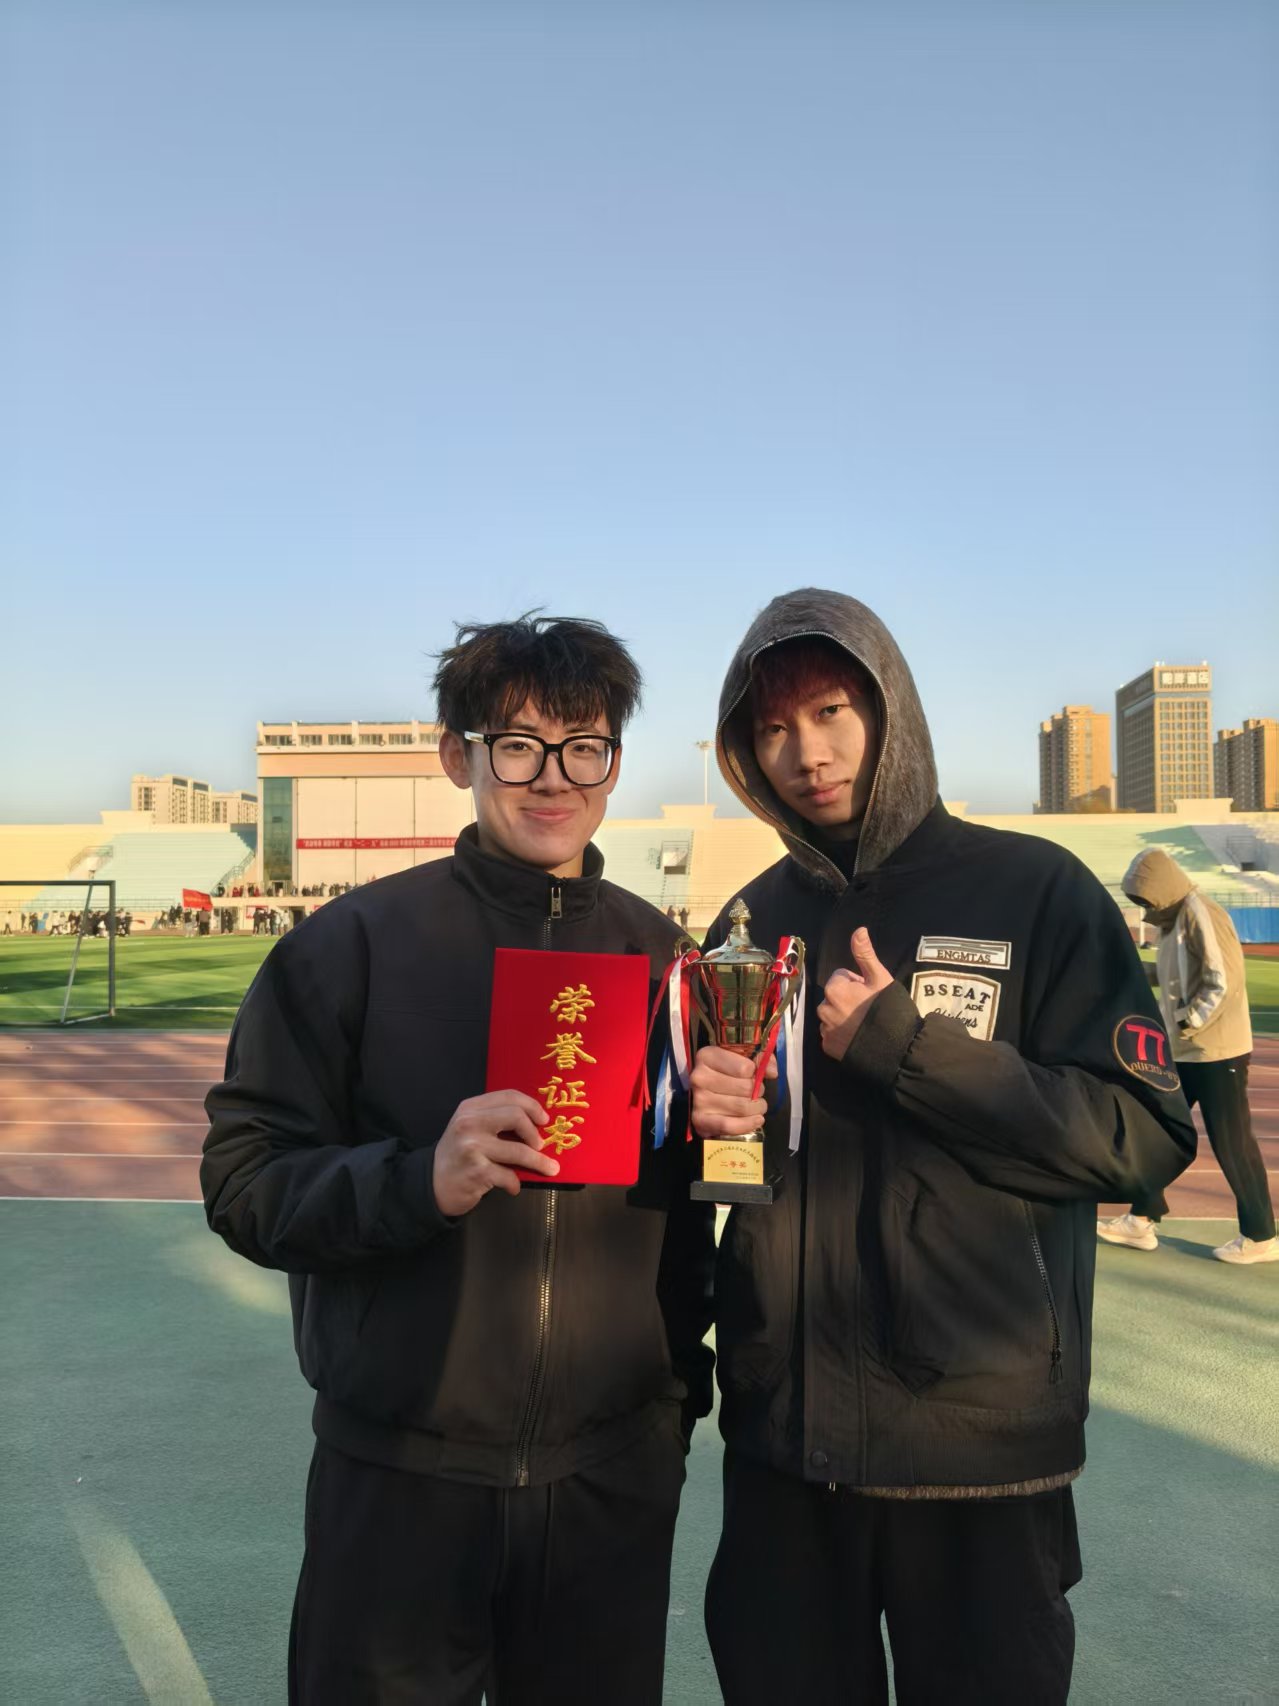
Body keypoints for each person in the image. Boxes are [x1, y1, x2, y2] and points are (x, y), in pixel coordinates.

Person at [688, 588, 1196, 1706]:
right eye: (771, 728)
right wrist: (709, 1122)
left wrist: (905, 1047)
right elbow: (730, 1172)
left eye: (830, 711)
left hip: (977, 1449)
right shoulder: (748, 922)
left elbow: (1140, 1134)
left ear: (891, 712)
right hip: (786, 1446)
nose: (806, 754)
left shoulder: (1035, 890)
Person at [201, 614, 714, 1706]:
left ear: (614, 763)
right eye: (518, 745)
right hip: (400, 1474)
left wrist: (672, 1409)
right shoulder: (348, 947)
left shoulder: (669, 963)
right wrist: (415, 1181)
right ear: (458, 755)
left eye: (584, 747)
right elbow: (243, 1182)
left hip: (609, 1480)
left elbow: (692, 1217)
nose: (553, 777)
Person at [1098, 848, 1276, 1264]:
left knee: (1232, 1143)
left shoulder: (1200, 912)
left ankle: (1260, 1236)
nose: (1144, 909)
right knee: (1158, 1130)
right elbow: (1171, 977)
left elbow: (1222, 980)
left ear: (1161, 887)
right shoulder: (1174, 920)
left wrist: (1184, 1022)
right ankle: (1142, 1218)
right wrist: (1128, 971)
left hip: (1216, 1052)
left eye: (1145, 899)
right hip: (1187, 1050)